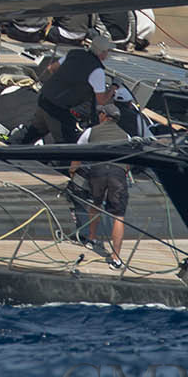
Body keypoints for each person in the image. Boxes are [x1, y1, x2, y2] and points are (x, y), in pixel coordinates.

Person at [21, 33, 114, 145]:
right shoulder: (97, 71)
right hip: (57, 108)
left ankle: (14, 147)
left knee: (34, 132)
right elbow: (101, 100)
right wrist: (114, 88)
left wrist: (63, 83)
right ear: (102, 53)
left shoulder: (74, 53)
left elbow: (51, 68)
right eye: (108, 51)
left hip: (45, 98)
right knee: (67, 142)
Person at [74, 110, 133, 268]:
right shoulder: (126, 136)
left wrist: (72, 172)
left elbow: (77, 152)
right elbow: (128, 163)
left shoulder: (90, 131)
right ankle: (116, 258)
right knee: (118, 216)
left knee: (95, 204)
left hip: (97, 171)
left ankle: (92, 239)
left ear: (103, 116)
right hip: (118, 173)